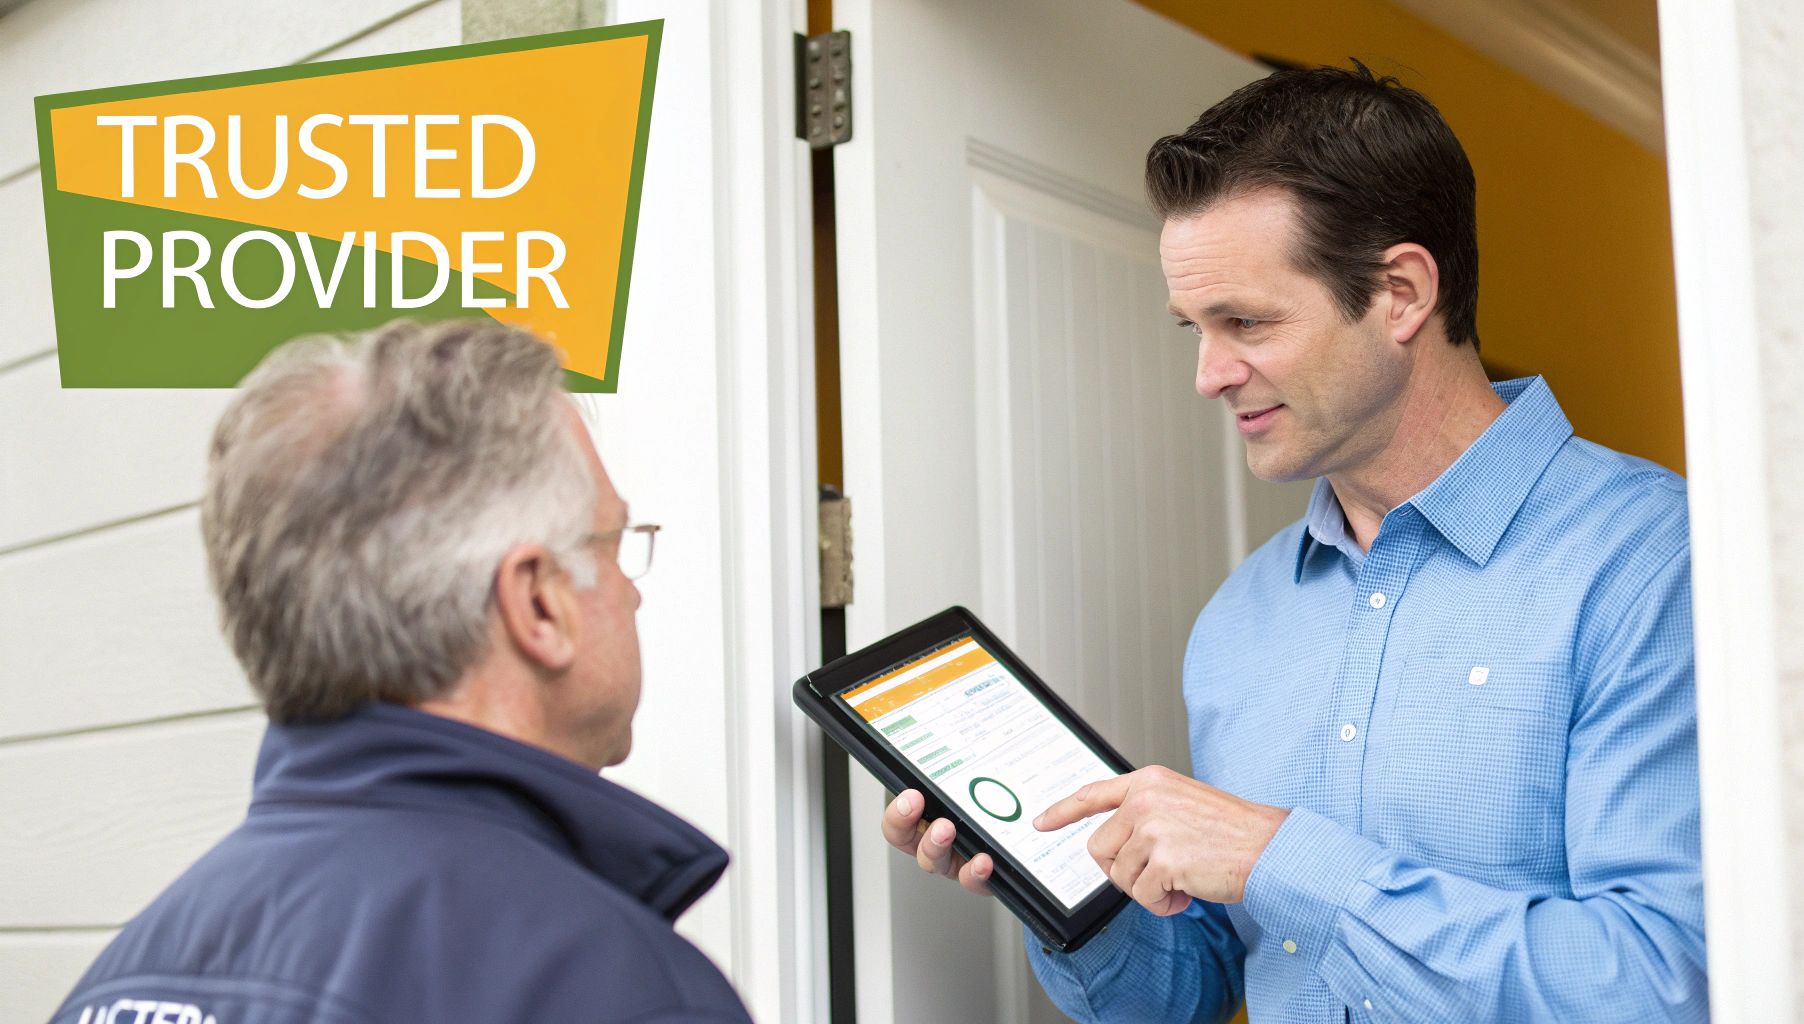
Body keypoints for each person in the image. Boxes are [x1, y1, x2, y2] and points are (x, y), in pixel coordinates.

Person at [882, 62, 1704, 1022]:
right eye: (1193, 326)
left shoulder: (1657, 561)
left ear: (1400, 293)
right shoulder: (1243, 618)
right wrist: (1059, 888)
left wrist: (1281, 857)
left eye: (1246, 322)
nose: (1208, 374)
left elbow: (1666, 983)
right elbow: (1186, 999)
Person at [53, 320, 752, 1024]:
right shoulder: (620, 990)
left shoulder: (120, 981)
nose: (630, 590)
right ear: (537, 602)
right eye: (612, 544)